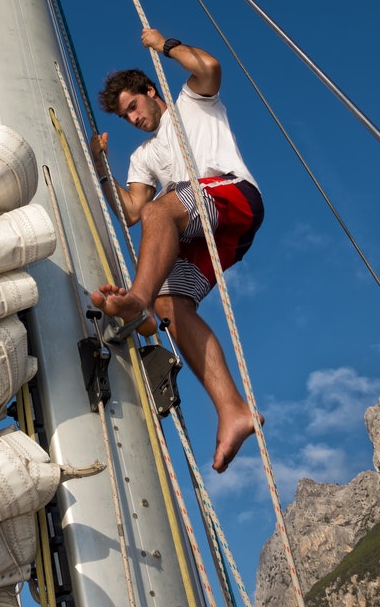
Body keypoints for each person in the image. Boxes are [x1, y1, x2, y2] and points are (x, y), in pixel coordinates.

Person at [90, 28, 264, 473]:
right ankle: (233, 410)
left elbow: (209, 68)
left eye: (133, 106)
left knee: (161, 212)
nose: (132, 119)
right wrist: (100, 166)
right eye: (124, 116)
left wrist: (164, 45)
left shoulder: (191, 103)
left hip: (231, 196)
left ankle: (137, 301)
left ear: (151, 91)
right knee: (173, 304)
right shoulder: (143, 157)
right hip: (210, 232)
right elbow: (130, 210)